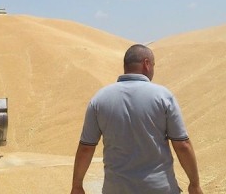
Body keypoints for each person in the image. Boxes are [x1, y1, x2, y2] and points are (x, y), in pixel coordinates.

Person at [71, 44, 203, 194]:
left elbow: (86, 148)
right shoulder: (163, 96)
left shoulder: (99, 99)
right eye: (153, 65)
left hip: (116, 189)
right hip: (159, 188)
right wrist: (194, 184)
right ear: (146, 64)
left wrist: (77, 185)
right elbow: (182, 145)